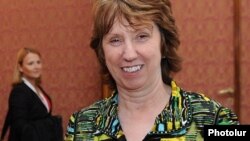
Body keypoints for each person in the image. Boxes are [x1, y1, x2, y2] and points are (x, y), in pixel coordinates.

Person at [64, 0, 239, 140]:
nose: (129, 54)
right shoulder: (81, 126)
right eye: (115, 40)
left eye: (141, 36)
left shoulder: (213, 118)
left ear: (163, 45)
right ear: (102, 51)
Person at [0, 47, 63, 141]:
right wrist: (51, 123)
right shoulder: (19, 92)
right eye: (31, 63)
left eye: (38, 62)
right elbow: (20, 127)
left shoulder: (38, 89)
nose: (36, 67)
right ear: (20, 68)